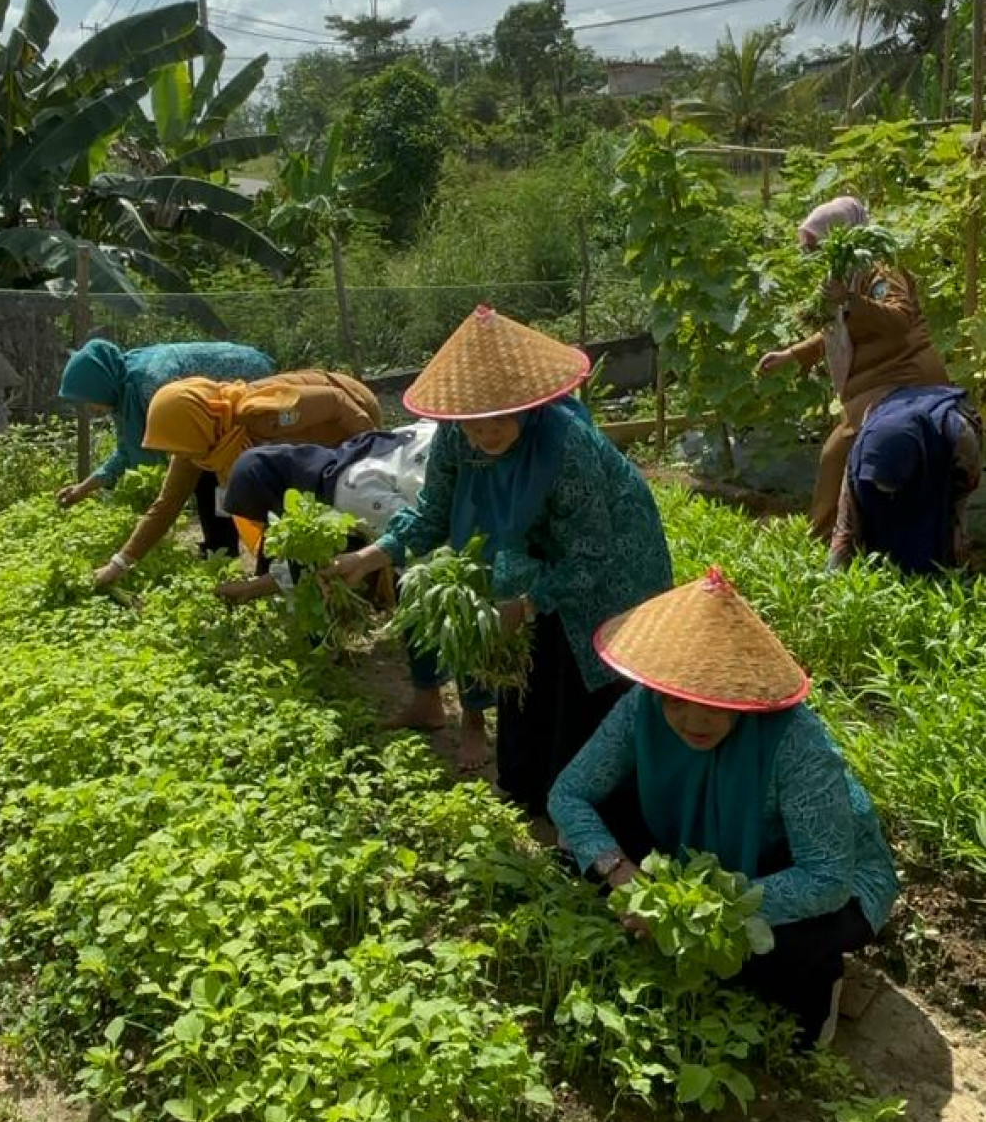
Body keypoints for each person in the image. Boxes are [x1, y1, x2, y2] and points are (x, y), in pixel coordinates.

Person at [327, 306, 673, 817]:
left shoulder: (566, 444)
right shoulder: (455, 435)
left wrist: (528, 604)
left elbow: (590, 554)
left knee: (580, 686)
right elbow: (433, 511)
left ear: (527, 404)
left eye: (495, 421)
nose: (483, 435)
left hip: (609, 565)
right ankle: (527, 793)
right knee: (523, 675)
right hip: (525, 562)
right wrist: (370, 556)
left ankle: (582, 817)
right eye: (471, 423)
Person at [548, 567, 900, 1048]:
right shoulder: (642, 708)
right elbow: (569, 793)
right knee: (582, 844)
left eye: (715, 703)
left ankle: (821, 998)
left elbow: (827, 877)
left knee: (785, 948)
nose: (694, 719)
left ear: (745, 695)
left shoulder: (795, 742)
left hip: (802, 869)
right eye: (677, 702)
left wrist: (696, 913)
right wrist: (624, 876)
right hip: (701, 846)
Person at [217, 422, 493, 768]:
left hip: (470, 487)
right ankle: (427, 704)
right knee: (414, 594)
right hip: (448, 472)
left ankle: (474, 723)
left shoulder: (350, 491)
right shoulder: (333, 471)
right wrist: (250, 590)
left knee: (447, 604)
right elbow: (321, 565)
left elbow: (423, 538)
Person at [757, 194, 949, 540]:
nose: (812, 255)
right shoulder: (847, 276)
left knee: (837, 451)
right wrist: (791, 354)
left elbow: (900, 319)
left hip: (904, 380)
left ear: (841, 235)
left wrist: (848, 299)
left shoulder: (881, 272)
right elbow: (837, 329)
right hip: (879, 383)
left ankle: (823, 536)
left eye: (817, 245)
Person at [94, 367, 381, 587]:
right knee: (286, 517)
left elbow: (337, 402)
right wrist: (119, 563)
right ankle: (287, 581)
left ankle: (368, 575)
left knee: (345, 507)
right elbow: (166, 505)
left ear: (194, 421)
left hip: (348, 417)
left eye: (177, 441)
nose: (177, 453)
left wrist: (373, 453)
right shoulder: (199, 443)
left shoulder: (260, 413)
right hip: (296, 457)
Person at [57, 337, 274, 555]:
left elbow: (185, 426)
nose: (91, 407)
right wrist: (82, 489)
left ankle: (258, 556)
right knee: (204, 470)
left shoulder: (152, 382)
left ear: (99, 384)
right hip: (212, 413)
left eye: (89, 398)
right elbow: (125, 453)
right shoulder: (124, 389)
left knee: (227, 470)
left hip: (248, 385)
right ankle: (220, 549)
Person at [829, 383, 982, 574]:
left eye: (892, 490)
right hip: (892, 414)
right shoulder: (861, 456)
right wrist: (833, 582)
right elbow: (846, 526)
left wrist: (957, 568)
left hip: (937, 454)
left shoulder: (959, 437)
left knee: (941, 529)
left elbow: (959, 501)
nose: (888, 496)